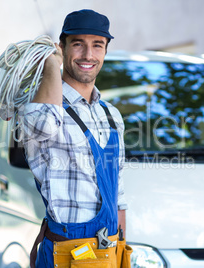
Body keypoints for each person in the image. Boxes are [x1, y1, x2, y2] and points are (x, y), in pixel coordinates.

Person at [21, 9, 128, 268]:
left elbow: (119, 194)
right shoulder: (41, 103)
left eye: (97, 45)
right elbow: (43, 123)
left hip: (108, 253)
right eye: (78, 44)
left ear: (105, 51)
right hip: (67, 254)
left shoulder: (111, 115)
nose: (88, 55)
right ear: (62, 47)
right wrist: (50, 66)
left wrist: (122, 250)